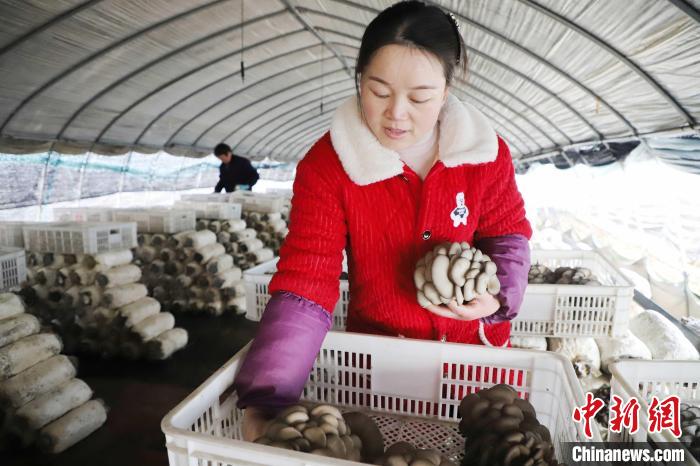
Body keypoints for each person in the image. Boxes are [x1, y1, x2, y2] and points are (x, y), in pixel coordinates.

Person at [233, 1, 532, 440]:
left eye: (419, 98)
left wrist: (500, 296)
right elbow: (306, 277)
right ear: (359, 80)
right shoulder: (328, 166)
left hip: (473, 357)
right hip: (378, 357)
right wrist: (267, 396)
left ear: (447, 90)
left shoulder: (485, 153)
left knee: (476, 445)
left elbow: (507, 232)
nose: (396, 113)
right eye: (378, 91)